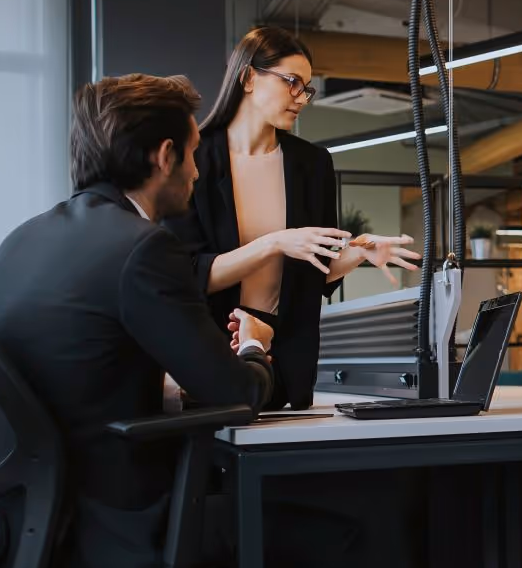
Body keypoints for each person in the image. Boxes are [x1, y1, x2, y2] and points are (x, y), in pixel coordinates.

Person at [0, 72, 361, 568]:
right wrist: (255, 345)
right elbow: (233, 394)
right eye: (190, 155)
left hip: (18, 529)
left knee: (248, 523)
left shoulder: (28, 239)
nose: (196, 170)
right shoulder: (141, 248)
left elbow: (79, 373)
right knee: (326, 541)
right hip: (100, 531)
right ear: (160, 156)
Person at [167, 25, 418, 409]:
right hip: (213, 354)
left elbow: (311, 274)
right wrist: (274, 243)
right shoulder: (195, 160)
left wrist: (359, 252)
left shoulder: (312, 164)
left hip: (288, 356)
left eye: (307, 88)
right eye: (292, 82)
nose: (301, 97)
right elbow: (190, 275)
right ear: (249, 77)